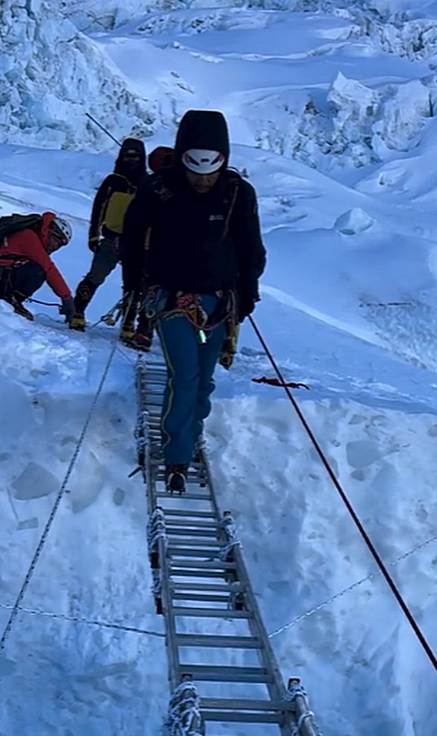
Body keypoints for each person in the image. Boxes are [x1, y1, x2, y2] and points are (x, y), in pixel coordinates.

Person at [120, 110, 266, 493]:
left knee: (203, 381)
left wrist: (247, 293)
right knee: (184, 377)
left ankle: (190, 431)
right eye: (196, 172)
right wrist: (133, 283)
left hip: (218, 302)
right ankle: (177, 454)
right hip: (168, 299)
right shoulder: (158, 189)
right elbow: (132, 236)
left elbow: (251, 246)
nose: (203, 180)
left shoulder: (236, 194)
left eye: (210, 173)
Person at [70, 137, 148, 331]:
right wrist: (93, 235)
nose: (131, 160)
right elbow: (99, 208)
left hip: (136, 243)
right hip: (111, 238)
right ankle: (77, 311)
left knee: (134, 285)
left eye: (136, 156)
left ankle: (128, 323)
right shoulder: (113, 181)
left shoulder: (147, 184)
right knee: (95, 276)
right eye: (128, 156)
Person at [0, 212, 75, 323]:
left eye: (59, 245)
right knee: (39, 271)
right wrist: (67, 298)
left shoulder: (32, 235)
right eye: (57, 241)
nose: (56, 247)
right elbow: (48, 267)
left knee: (37, 269)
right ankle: (11, 301)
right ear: (50, 232)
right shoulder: (29, 237)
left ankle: (12, 299)